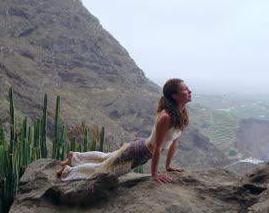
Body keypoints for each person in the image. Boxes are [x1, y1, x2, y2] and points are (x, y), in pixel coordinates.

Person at [56, 78, 192, 184]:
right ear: (175, 95)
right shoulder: (166, 117)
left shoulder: (180, 115)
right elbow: (157, 147)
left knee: (107, 158)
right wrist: (155, 174)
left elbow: (174, 142)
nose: (190, 91)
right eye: (185, 89)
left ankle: (74, 157)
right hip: (137, 152)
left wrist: (168, 166)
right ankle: (68, 171)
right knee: (104, 170)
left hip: (141, 149)